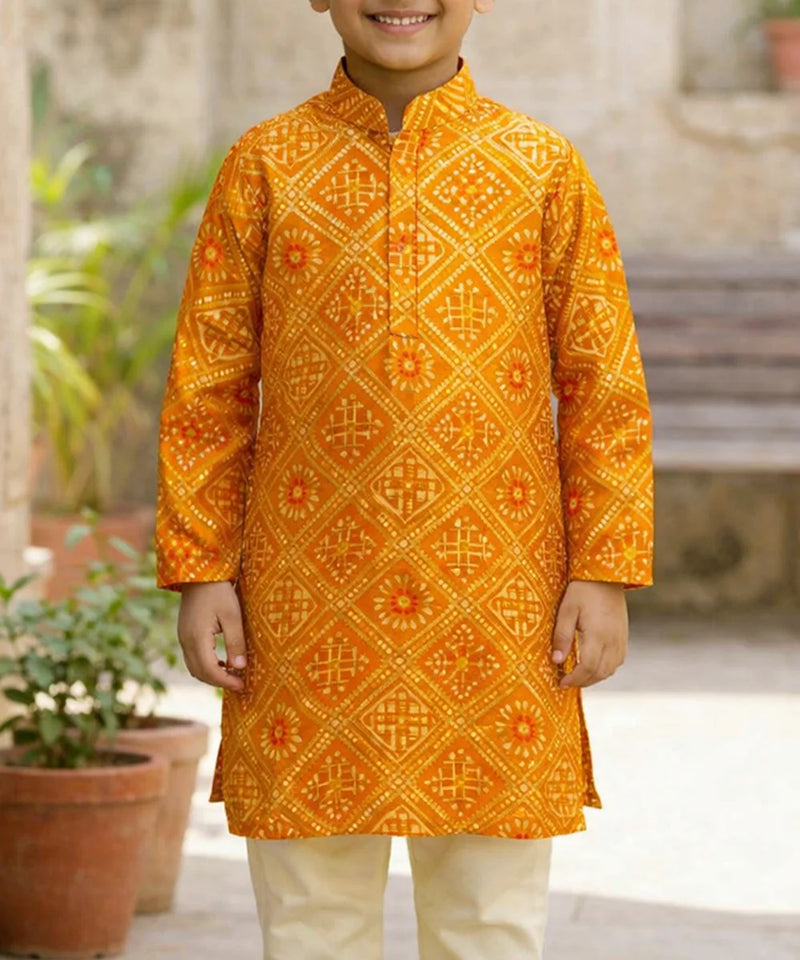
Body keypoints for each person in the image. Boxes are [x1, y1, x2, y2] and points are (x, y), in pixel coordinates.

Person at [155, 1, 654, 957]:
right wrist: (201, 567)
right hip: (303, 610)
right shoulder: (264, 165)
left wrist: (605, 570)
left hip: (498, 609)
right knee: (311, 921)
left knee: (489, 923)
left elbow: (605, 389)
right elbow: (208, 388)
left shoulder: (542, 167)